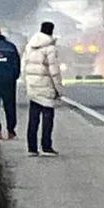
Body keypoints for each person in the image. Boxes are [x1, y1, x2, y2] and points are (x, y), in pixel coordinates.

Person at [23, 21, 63, 157]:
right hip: (46, 87)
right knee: (47, 117)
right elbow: (54, 71)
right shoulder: (50, 48)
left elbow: (24, 66)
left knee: (33, 118)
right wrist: (59, 89)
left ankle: (32, 148)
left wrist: (27, 83)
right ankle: (46, 146)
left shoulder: (29, 46)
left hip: (33, 86)